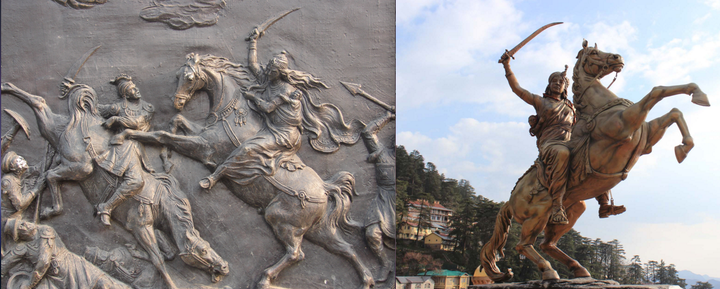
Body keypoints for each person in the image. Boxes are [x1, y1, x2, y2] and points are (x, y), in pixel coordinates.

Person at [199, 29, 363, 189]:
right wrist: (253, 42)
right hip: (270, 128)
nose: (268, 72)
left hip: (284, 135)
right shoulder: (268, 79)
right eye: (269, 68)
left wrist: (253, 97)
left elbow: (268, 107)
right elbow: (253, 65)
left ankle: (215, 177)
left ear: (280, 73)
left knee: (248, 148)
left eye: (272, 71)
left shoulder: (286, 90)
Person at [501, 54, 575, 225]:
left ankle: (604, 202)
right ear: (549, 85)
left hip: (569, 142)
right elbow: (518, 89)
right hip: (551, 144)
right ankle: (557, 205)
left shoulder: (571, 107)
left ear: (565, 87)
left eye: (560, 82)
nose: (557, 84)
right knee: (562, 153)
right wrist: (507, 67)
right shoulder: (540, 102)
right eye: (554, 81)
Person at [94, 75, 155, 226]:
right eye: (132, 89)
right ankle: (106, 207)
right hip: (121, 147)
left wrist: (116, 120)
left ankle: (107, 206)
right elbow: (96, 110)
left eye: (135, 87)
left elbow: (138, 123)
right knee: (136, 181)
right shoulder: (117, 108)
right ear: (125, 94)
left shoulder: (147, 108)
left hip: (136, 146)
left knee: (138, 182)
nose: (136, 90)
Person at [1, 218, 131, 289]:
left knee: (104, 284)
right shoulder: (22, 248)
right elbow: (5, 264)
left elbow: (44, 261)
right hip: (55, 280)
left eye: (23, 223)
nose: (25, 226)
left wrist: (30, 283)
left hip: (72, 267)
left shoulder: (45, 230)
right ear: (18, 236)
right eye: (20, 228)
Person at [361, 111, 396, 282]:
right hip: (383, 199)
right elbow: (367, 133)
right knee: (371, 233)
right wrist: (388, 117)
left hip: (399, 202)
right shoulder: (381, 153)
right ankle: (385, 263)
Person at [1, 152, 42, 256]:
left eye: (20, 157)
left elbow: (34, 169)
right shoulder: (8, 182)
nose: (22, 159)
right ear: (13, 167)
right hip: (10, 222)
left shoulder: (19, 175)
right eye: (18, 160)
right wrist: (36, 189)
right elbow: (20, 204)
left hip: (17, 218)